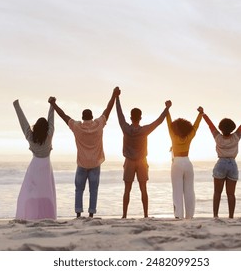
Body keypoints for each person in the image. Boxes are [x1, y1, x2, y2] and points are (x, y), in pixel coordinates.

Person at [49, 87, 119, 218]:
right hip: (95, 163)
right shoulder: (98, 124)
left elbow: (64, 116)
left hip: (82, 164)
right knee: (94, 190)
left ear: (82, 117)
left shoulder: (77, 127)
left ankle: (78, 213)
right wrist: (114, 95)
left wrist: (53, 104)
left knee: (79, 189)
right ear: (92, 117)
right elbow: (108, 110)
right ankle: (91, 213)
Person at [115, 88, 171, 218]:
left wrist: (117, 98)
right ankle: (145, 215)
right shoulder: (144, 130)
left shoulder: (125, 128)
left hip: (129, 161)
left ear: (131, 117)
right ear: (140, 118)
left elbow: (119, 114)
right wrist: (167, 108)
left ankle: (124, 215)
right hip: (141, 162)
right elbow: (159, 121)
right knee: (143, 189)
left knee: (127, 190)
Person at [201, 106, 241, 218]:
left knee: (217, 193)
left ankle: (215, 215)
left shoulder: (217, 137)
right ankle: (231, 216)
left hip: (220, 164)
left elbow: (210, 125)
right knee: (231, 194)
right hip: (233, 165)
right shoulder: (236, 136)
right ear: (233, 128)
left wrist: (203, 114)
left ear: (220, 128)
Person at [12, 98, 57, 220]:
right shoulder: (49, 136)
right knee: (47, 192)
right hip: (46, 166)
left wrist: (16, 106)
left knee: (32, 192)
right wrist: (52, 105)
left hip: (35, 166)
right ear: (47, 127)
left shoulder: (31, 137)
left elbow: (24, 123)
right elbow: (51, 120)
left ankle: (32, 214)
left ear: (36, 127)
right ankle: (47, 215)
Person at [166, 105, 203, 219]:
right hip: (187, 163)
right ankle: (189, 216)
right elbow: (195, 126)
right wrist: (200, 113)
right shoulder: (190, 135)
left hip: (176, 163)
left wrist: (167, 109)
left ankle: (178, 216)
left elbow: (168, 122)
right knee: (189, 191)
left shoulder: (173, 135)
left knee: (177, 191)